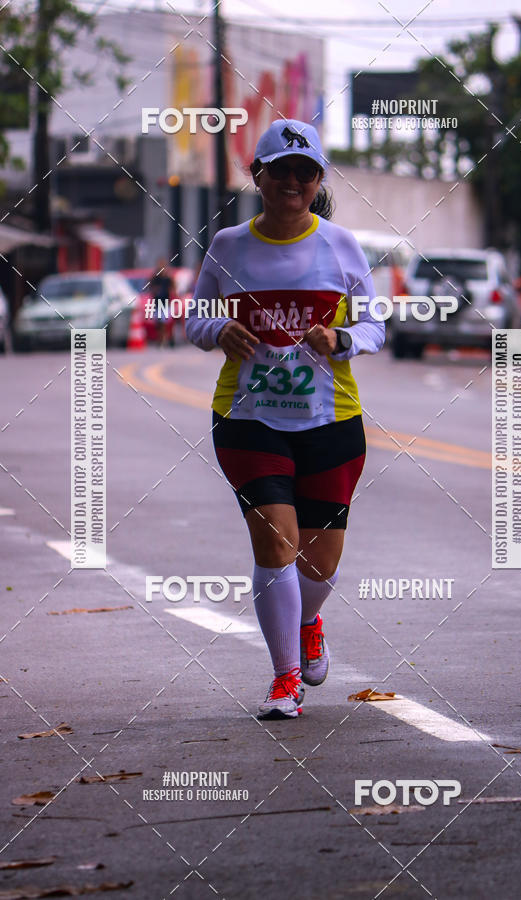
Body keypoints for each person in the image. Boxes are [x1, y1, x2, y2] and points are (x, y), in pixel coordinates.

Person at [186, 119, 384, 719]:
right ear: (259, 176)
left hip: (331, 422)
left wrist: (341, 340)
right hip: (249, 421)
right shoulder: (227, 246)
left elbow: (375, 326)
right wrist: (219, 329)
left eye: (305, 171)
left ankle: (307, 621)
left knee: (318, 565)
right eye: (281, 170)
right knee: (276, 541)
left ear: (317, 179)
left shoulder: (342, 245)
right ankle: (283, 679)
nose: (292, 181)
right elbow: (192, 319)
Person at [149, 259, 175, 347]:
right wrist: (154, 291)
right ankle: (160, 339)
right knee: (158, 323)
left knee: (164, 322)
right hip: (157, 303)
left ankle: (164, 339)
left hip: (165, 303)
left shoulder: (168, 278)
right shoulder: (155, 278)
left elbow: (173, 287)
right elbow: (150, 287)